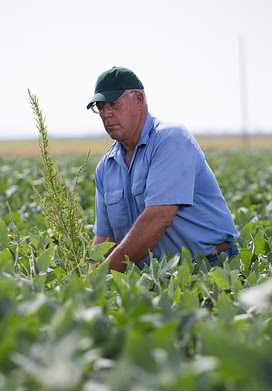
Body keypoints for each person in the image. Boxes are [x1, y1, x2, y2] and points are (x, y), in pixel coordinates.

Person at [87, 66, 239, 273]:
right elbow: (105, 240)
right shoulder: (106, 167)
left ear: (139, 100)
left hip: (209, 268)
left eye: (113, 104)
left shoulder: (170, 139)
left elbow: (159, 217)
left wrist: (102, 277)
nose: (106, 114)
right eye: (100, 107)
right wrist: (88, 280)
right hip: (154, 278)